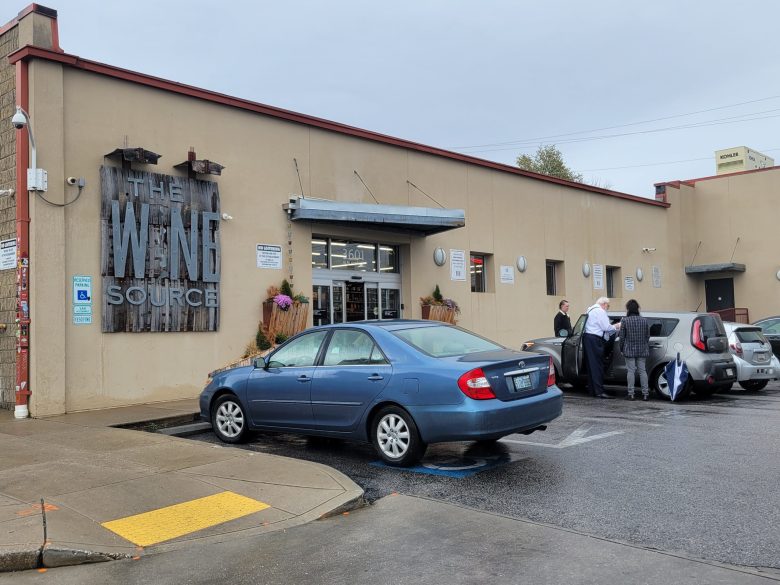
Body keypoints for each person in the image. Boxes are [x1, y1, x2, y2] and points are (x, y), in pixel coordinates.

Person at [583, 296, 619, 399]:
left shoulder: (590, 309)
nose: (607, 308)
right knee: (597, 365)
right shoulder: (600, 311)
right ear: (604, 304)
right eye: (608, 306)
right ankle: (599, 391)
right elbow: (606, 327)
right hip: (594, 339)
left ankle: (593, 390)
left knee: (591, 366)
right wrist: (617, 326)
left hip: (587, 338)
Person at [620, 299, 650, 401]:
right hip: (642, 349)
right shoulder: (644, 320)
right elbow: (647, 336)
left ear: (628, 309)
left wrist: (621, 348)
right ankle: (645, 394)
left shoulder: (625, 320)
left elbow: (622, 337)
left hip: (629, 350)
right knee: (642, 371)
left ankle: (631, 394)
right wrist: (643, 344)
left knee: (631, 371)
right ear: (637, 309)